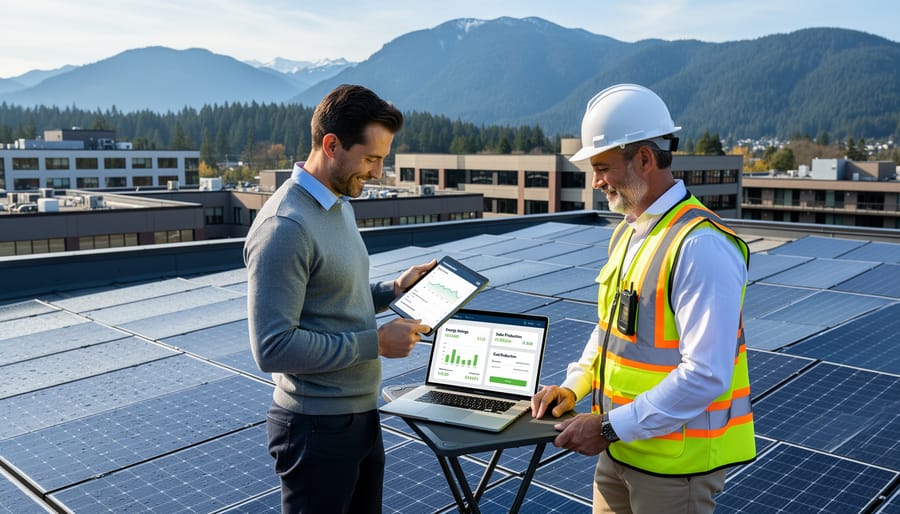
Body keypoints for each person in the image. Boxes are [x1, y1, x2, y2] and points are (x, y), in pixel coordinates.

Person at [531, 84, 755, 513]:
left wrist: (611, 428)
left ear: (645, 159)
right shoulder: (630, 233)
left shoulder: (700, 245)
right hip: (620, 453)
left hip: (675, 470)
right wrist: (573, 387)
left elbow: (706, 375)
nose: (595, 181)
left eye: (603, 166)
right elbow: (611, 332)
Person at [244, 84, 434, 514]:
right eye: (371, 158)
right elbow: (272, 347)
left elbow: (333, 299)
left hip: (359, 417)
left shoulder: (337, 204)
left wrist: (394, 290)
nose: (379, 172)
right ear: (332, 145)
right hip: (315, 429)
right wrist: (375, 344)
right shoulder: (284, 227)